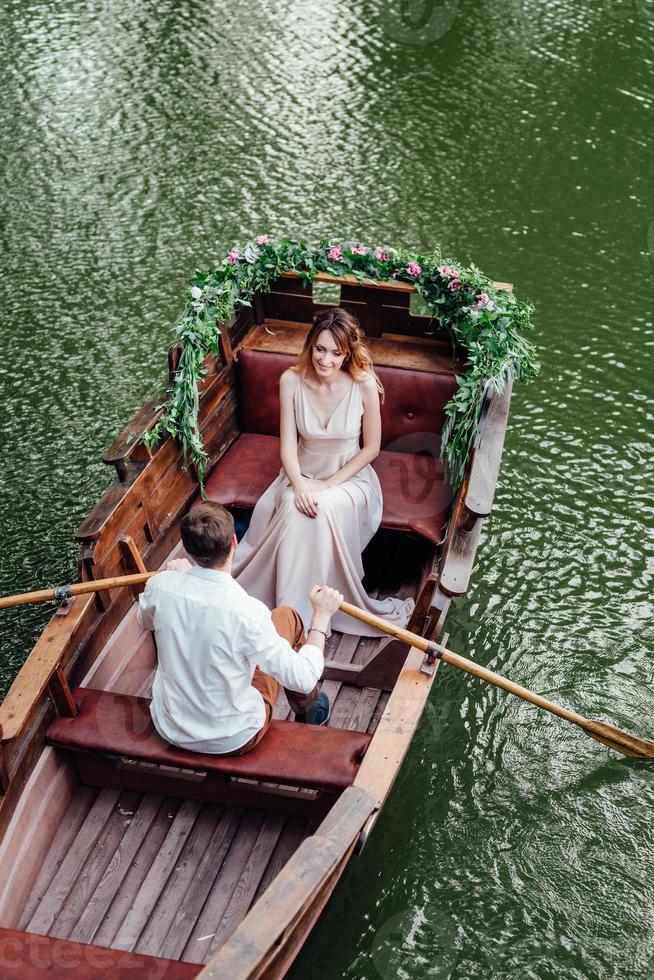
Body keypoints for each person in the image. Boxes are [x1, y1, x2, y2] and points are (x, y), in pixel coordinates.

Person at [232, 307, 415, 636]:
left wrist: (328, 485)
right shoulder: (290, 380)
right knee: (291, 506)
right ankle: (287, 614)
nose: (326, 360)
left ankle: (307, 617)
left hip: (349, 478)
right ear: (310, 345)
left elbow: (371, 448)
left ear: (347, 353)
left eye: (335, 352)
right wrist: (300, 486)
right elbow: (287, 447)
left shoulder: (364, 384)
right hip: (301, 472)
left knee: (323, 508)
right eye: (320, 349)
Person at [137, 502, 341, 755]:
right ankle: (310, 712)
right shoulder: (249, 613)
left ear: (189, 549)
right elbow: (304, 676)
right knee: (288, 618)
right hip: (231, 737)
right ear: (234, 541)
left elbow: (146, 620)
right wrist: (321, 617)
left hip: (169, 727)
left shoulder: (160, 586)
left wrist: (177, 578)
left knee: (268, 628)